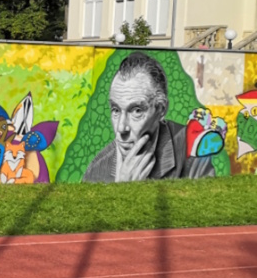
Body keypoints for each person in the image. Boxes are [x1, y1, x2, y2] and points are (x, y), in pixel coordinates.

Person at [83, 52, 214, 183]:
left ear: (161, 109)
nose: (121, 128)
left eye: (136, 111)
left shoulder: (191, 148)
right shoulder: (96, 170)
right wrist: (123, 189)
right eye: (116, 110)